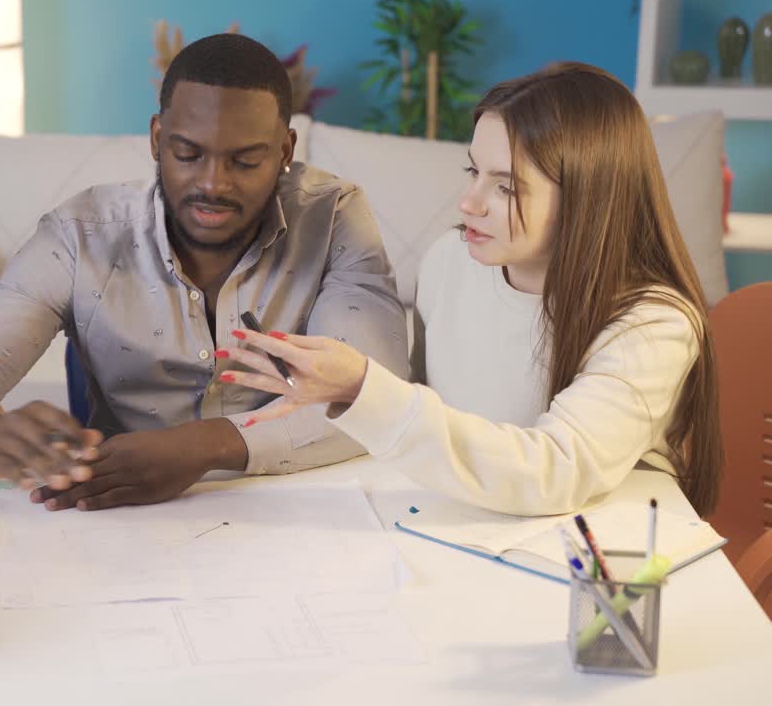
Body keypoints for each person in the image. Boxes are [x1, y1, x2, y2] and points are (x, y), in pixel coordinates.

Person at [0, 33, 409, 510]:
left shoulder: (334, 215)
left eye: (246, 162)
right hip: (126, 521)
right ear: (157, 139)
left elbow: (374, 396)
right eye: (188, 154)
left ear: (285, 152)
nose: (213, 184)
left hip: (302, 509)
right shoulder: (81, 235)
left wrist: (207, 445)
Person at [221, 62, 722, 516]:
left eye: (505, 187)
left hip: (600, 555)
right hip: (470, 530)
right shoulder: (449, 263)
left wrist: (362, 386)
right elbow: (428, 421)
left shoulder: (653, 324)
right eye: (474, 172)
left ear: (590, 197)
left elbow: (554, 473)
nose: (469, 203)